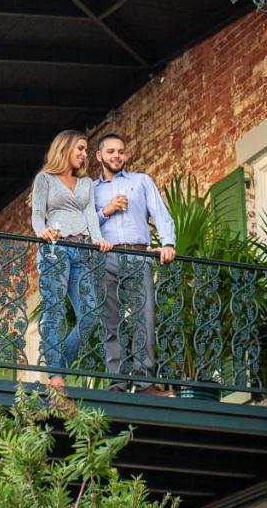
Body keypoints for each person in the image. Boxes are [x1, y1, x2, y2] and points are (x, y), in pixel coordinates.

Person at [92, 133, 176, 394]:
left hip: (139, 255)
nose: (117, 156)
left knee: (144, 317)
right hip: (106, 258)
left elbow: (161, 215)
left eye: (121, 151)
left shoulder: (141, 181)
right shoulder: (90, 190)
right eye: (111, 152)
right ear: (99, 156)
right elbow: (84, 227)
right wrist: (106, 211)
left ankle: (144, 382)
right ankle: (116, 382)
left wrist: (168, 243)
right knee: (111, 321)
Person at [30, 130, 113, 389]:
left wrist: (98, 239)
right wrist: (40, 232)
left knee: (91, 314)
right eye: (79, 148)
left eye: (86, 150)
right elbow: (37, 214)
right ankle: (55, 375)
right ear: (64, 148)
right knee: (53, 309)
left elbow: (90, 214)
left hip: (83, 249)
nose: (83, 154)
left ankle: (58, 366)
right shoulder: (45, 179)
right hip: (55, 247)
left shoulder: (86, 183)